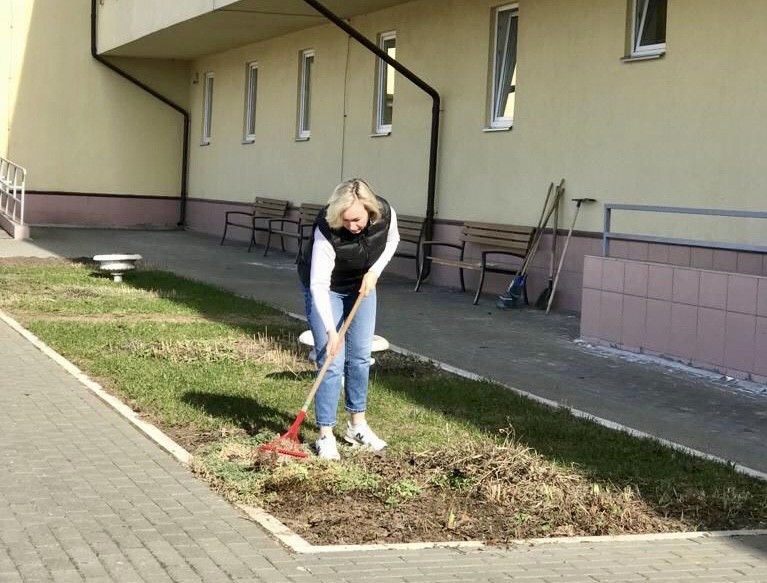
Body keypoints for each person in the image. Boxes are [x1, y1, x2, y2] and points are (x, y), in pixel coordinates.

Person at [297, 178, 400, 460]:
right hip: (327, 288)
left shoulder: (385, 214)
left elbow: (393, 241)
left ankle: (357, 426)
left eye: (357, 220)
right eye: (346, 221)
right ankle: (325, 434)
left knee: (359, 357)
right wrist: (332, 332)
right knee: (331, 360)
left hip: (362, 285)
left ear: (369, 210)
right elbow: (319, 284)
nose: (352, 226)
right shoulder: (327, 228)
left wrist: (374, 272)